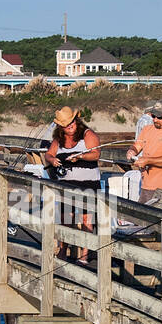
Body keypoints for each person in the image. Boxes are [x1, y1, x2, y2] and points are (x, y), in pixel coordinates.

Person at [44, 105, 102, 262]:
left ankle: (85, 254)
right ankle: (63, 250)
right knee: (66, 218)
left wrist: (80, 157)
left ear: (77, 121)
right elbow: (48, 154)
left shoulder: (88, 134)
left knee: (86, 219)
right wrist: (52, 160)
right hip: (67, 184)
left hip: (88, 183)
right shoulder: (59, 138)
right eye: (66, 126)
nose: (70, 128)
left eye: (72, 124)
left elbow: (96, 154)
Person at [125, 98, 162, 206]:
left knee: (152, 219)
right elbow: (138, 145)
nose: (155, 120)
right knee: (141, 219)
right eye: (153, 116)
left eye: (159, 117)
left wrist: (147, 161)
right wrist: (132, 151)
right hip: (145, 184)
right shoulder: (147, 129)